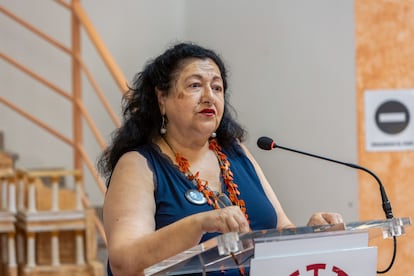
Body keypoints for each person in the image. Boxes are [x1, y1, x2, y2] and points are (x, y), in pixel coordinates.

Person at [98, 42, 343, 276]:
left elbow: (281, 229)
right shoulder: (137, 165)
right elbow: (124, 263)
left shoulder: (236, 152)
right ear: (162, 97)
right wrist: (199, 225)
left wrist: (311, 234)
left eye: (217, 88)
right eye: (195, 85)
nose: (209, 97)